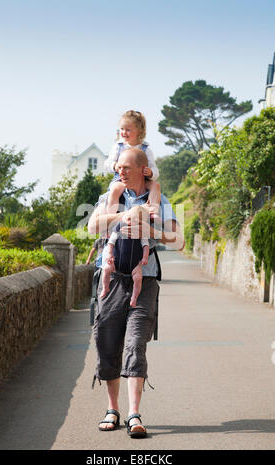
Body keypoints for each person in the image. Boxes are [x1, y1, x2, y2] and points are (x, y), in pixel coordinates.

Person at [88, 148, 185, 438]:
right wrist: (125, 215)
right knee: (106, 339)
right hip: (112, 278)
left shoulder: (160, 200)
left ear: (143, 170)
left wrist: (150, 227)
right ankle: (112, 408)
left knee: (135, 343)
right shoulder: (111, 197)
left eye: (127, 167)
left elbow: (178, 239)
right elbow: (92, 226)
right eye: (118, 167)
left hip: (146, 278)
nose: (121, 172)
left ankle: (134, 414)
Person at [104, 110, 161, 218]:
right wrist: (114, 165)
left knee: (155, 186)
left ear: (140, 131)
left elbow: (155, 170)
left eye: (128, 130)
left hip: (142, 182)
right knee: (115, 189)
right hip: (121, 180)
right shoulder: (118, 146)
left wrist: (150, 173)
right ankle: (110, 217)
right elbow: (107, 163)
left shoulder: (146, 149)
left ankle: (154, 212)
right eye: (122, 129)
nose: (124, 133)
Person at [100, 204, 150, 308]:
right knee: (106, 269)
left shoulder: (141, 233)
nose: (129, 223)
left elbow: (145, 245)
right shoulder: (119, 227)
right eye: (128, 219)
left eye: (134, 221)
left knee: (138, 278)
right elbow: (111, 242)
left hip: (134, 265)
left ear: (141, 224)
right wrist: (109, 254)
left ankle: (134, 297)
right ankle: (105, 288)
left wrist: (145, 257)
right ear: (125, 216)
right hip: (117, 262)